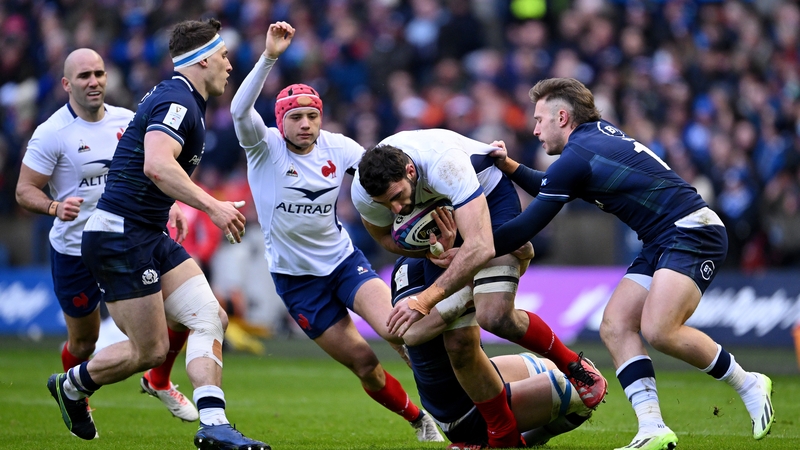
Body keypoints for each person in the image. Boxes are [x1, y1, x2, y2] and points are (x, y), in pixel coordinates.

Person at [485, 77, 774, 450]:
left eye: (540, 119)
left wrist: (472, 249)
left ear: (562, 117)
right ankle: (653, 428)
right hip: (662, 238)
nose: (535, 129)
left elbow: (527, 225)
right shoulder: (593, 138)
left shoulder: (578, 155)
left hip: (692, 231)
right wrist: (509, 165)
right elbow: (550, 184)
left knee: (659, 329)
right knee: (616, 324)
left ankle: (749, 383)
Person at [46, 19, 269, 450]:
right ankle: (70, 386)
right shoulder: (178, 102)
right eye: (223, 57)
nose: (229, 65)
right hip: (120, 236)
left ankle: (214, 423)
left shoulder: (181, 98)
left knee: (211, 317)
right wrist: (212, 205)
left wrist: (172, 205)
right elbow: (156, 164)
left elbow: (142, 166)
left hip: (145, 231)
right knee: (149, 351)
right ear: (202, 60)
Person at [229, 21, 443, 443]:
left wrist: (419, 203)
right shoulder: (263, 147)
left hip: (344, 263)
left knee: (398, 329)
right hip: (297, 281)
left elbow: (381, 174)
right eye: (296, 117)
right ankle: (419, 419)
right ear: (280, 121)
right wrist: (269, 57)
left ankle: (449, 404)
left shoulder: (338, 147)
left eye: (313, 115)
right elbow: (238, 110)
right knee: (365, 364)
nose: (306, 124)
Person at [352, 128, 607, 447]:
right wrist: (433, 251)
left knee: (494, 315)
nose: (396, 209)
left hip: (487, 196)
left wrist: (428, 298)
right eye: (385, 204)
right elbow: (385, 238)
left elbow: (480, 245)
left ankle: (572, 366)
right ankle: (505, 436)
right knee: (459, 341)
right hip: (443, 218)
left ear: (411, 171)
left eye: (397, 196)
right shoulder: (366, 193)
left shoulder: (445, 165)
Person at [17, 48, 198, 422]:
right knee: (84, 342)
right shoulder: (51, 133)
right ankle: (75, 396)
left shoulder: (127, 120)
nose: (94, 82)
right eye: (84, 76)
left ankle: (159, 379)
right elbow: (24, 190)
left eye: (99, 73)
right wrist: (53, 207)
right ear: (67, 84)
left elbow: (153, 168)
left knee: (183, 310)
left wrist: (172, 205)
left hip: (128, 241)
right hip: (75, 251)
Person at [391, 256, 592, 449]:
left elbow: (499, 273)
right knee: (578, 388)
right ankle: (510, 442)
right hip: (462, 410)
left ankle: (518, 440)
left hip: (474, 380)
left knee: (585, 374)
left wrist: (521, 257)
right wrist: (469, 290)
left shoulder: (455, 250)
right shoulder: (414, 263)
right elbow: (410, 330)